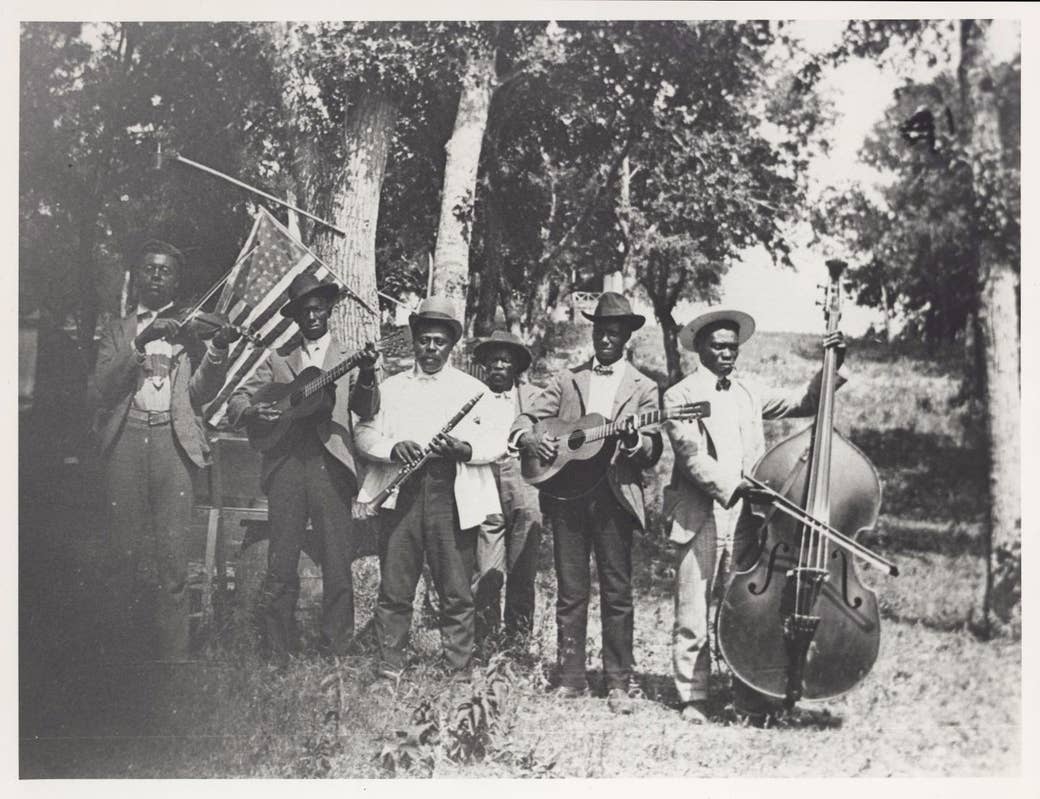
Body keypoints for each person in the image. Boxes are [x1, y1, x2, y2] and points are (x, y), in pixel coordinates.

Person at [662, 308, 847, 725]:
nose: (727, 354)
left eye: (733, 347)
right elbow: (691, 457)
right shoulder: (679, 395)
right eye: (718, 347)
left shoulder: (748, 392)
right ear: (701, 349)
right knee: (693, 609)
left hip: (747, 519)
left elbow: (806, 402)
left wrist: (832, 364)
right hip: (700, 514)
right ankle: (693, 696)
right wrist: (737, 485)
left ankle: (745, 689)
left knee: (743, 607)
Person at [509, 292, 663, 715]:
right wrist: (532, 439)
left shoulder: (644, 387)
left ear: (626, 337)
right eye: (600, 331)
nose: (606, 339)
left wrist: (633, 439)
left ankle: (617, 682)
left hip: (614, 497)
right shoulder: (567, 379)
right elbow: (526, 419)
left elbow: (652, 447)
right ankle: (571, 677)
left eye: (614, 333)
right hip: (567, 497)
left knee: (617, 592)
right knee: (571, 590)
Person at [91, 239, 239, 661]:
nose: (156, 276)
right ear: (137, 276)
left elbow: (200, 395)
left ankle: (174, 660)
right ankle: (115, 656)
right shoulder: (118, 328)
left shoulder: (189, 329)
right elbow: (100, 389)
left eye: (165, 271)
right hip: (126, 440)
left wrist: (217, 349)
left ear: (177, 280)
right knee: (122, 554)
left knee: (174, 558)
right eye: (149, 268)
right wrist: (140, 344)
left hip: (172, 444)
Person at [227, 273, 379, 661]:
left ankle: (336, 651)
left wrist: (366, 373)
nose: (312, 315)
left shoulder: (348, 356)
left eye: (318, 308)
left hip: (331, 467)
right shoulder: (279, 358)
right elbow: (238, 398)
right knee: (282, 561)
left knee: (337, 561)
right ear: (295, 316)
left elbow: (367, 409)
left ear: (329, 310)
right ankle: (277, 650)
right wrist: (251, 410)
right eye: (303, 310)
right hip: (286, 465)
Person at [355, 297, 505, 679]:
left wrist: (464, 449)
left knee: (455, 586)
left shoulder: (474, 390)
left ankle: (457, 667)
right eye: (424, 340)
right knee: (396, 583)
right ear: (414, 341)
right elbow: (364, 432)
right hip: (402, 491)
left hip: (451, 492)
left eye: (439, 341)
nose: (431, 349)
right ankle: (390, 665)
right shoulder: (392, 387)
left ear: (451, 344)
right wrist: (393, 448)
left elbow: (497, 441)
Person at [471, 330, 545, 649]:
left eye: (506, 360)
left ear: (516, 366)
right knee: (486, 568)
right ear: (485, 365)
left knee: (523, 568)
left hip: (525, 481)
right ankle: (485, 642)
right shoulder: (473, 396)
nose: (499, 366)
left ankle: (517, 644)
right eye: (493, 360)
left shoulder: (536, 397)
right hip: (484, 480)